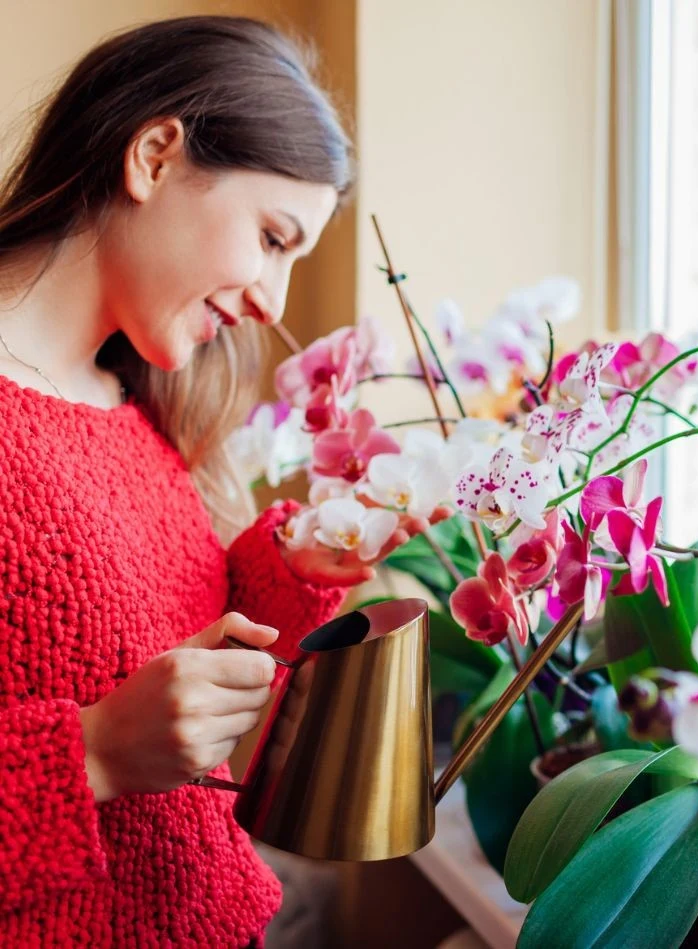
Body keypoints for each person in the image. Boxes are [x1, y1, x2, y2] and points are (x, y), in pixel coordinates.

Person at [0, 16, 423, 947]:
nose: (272, 303)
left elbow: (154, 635)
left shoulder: (132, 400)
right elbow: (116, 707)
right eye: (273, 237)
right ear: (153, 155)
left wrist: (293, 568)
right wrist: (93, 753)